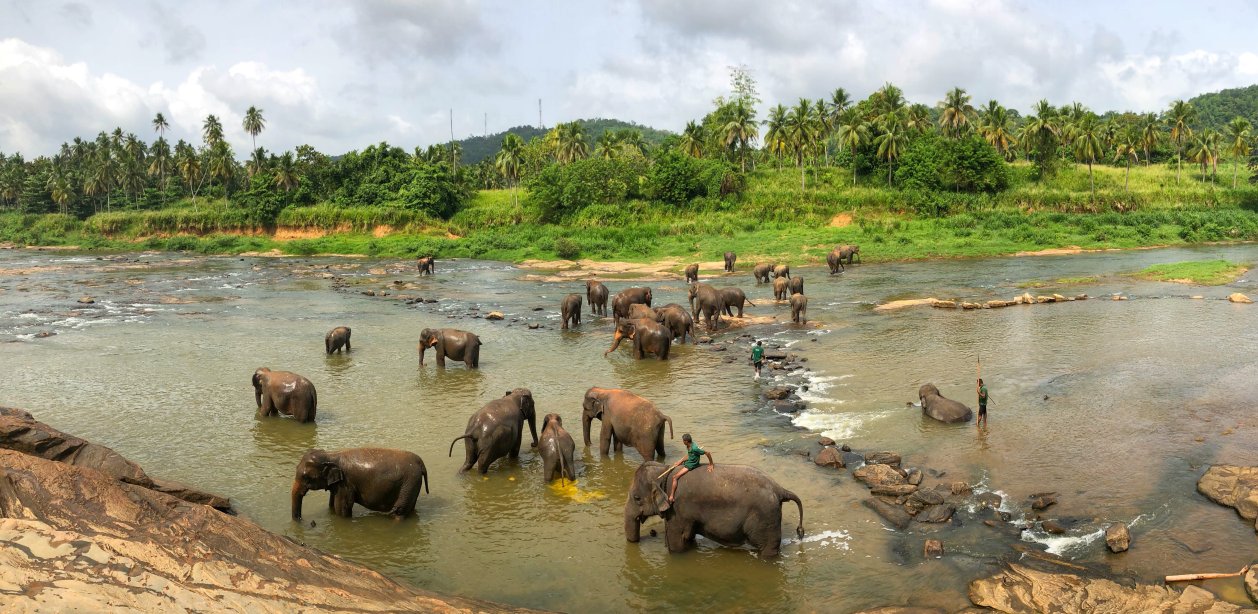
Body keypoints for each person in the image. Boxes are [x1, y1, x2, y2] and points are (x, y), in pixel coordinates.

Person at [667, 433, 714, 503]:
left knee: (675, 477)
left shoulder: (694, 448)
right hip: (689, 461)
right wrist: (680, 461)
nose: (682, 442)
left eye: (683, 441)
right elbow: (689, 455)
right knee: (677, 464)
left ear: (686, 441)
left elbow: (708, 453)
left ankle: (671, 496)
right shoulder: (690, 445)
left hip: (691, 465)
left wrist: (711, 464)